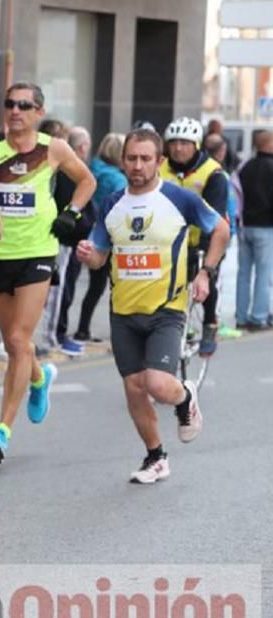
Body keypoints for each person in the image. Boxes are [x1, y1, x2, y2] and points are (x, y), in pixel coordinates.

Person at [76, 128, 230, 483]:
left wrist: (206, 272)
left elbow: (220, 230)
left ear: (159, 162)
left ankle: (183, 397)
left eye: (146, 159)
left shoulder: (180, 199)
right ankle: (155, 457)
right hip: (123, 311)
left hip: (167, 308)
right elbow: (100, 256)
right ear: (123, 160)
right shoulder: (113, 203)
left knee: (158, 384)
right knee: (133, 388)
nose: (138, 166)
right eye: (131, 158)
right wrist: (90, 254)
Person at [0, 82, 96, 464]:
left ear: (39, 111)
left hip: (38, 253)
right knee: (15, 346)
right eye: (10, 103)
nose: (15, 110)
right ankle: (40, 377)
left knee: (18, 337)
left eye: (24, 105)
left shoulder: (53, 148)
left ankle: (1, 432)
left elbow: (88, 181)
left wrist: (70, 213)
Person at [160, 117, 229, 356]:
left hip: (204, 239)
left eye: (185, 143)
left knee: (205, 281)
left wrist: (207, 263)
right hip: (167, 241)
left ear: (196, 145)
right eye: (174, 142)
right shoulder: (159, 168)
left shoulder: (214, 173)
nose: (178, 148)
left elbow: (216, 220)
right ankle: (176, 326)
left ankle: (210, 324)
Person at [74, 132, 128, 342]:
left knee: (93, 287)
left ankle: (83, 327)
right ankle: (120, 331)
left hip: (90, 232)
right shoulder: (118, 179)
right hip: (110, 235)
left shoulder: (91, 170)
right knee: (113, 287)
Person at [46, 125, 94, 356]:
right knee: (59, 291)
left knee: (66, 290)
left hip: (73, 240)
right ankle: (54, 336)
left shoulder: (74, 171)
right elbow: (66, 204)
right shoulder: (63, 173)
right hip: (63, 240)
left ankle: (58, 333)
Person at [236, 130, 273, 330]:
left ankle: (241, 317)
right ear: (268, 145)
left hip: (245, 226)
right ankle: (258, 317)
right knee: (264, 274)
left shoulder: (245, 167)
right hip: (266, 227)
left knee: (243, 273)